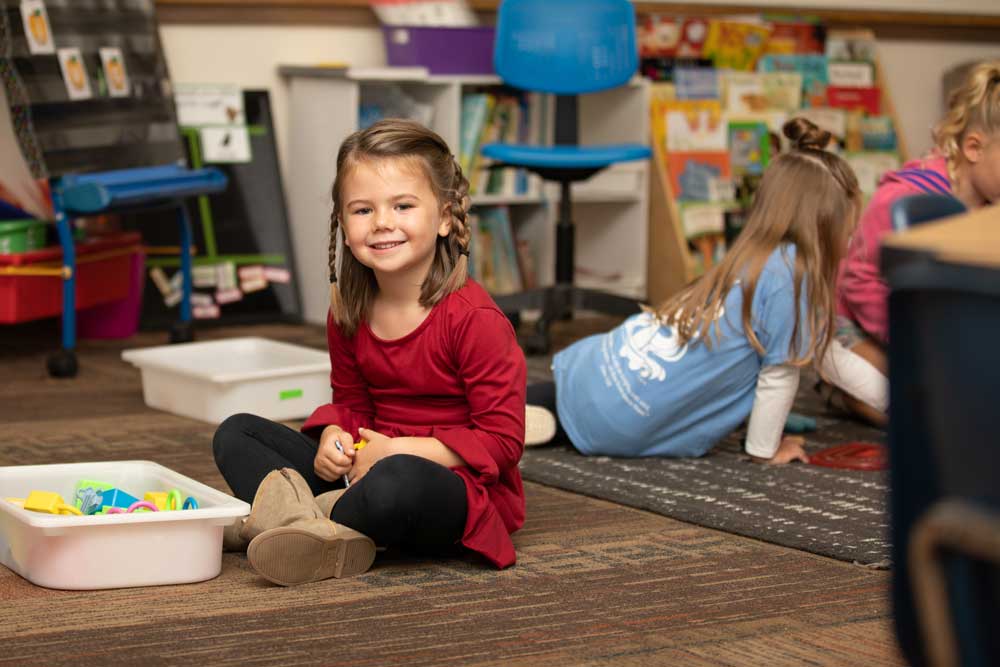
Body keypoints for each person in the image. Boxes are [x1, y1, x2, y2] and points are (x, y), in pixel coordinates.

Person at [213, 119, 528, 586]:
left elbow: (502, 443)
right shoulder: (349, 310)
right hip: (361, 470)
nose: (382, 223)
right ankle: (314, 526)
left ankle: (287, 517)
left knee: (397, 481)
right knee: (235, 433)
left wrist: (394, 450)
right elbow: (353, 403)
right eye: (362, 210)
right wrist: (334, 439)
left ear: (444, 216)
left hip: (445, 485)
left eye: (403, 205)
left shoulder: (474, 320)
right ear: (342, 223)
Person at [526, 118, 861, 463]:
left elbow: (825, 353)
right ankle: (526, 425)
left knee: (550, 397)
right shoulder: (793, 277)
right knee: (597, 413)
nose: (850, 244)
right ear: (821, 226)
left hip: (595, 372)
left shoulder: (749, 254)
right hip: (623, 422)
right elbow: (781, 375)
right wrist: (768, 447)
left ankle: (504, 414)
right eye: (848, 233)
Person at [821, 60, 1000, 426]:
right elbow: (859, 282)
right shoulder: (902, 199)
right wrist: (917, 337)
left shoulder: (990, 202)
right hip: (855, 320)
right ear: (974, 148)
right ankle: (839, 389)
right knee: (912, 412)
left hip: (936, 324)